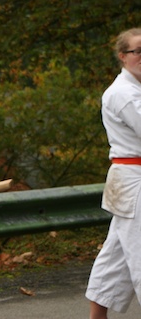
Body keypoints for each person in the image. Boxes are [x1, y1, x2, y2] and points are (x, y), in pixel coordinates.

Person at [86, 27, 141, 319]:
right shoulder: (123, 93)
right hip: (134, 181)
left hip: (128, 180)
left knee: (116, 256)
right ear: (123, 56)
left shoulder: (136, 89)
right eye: (138, 51)